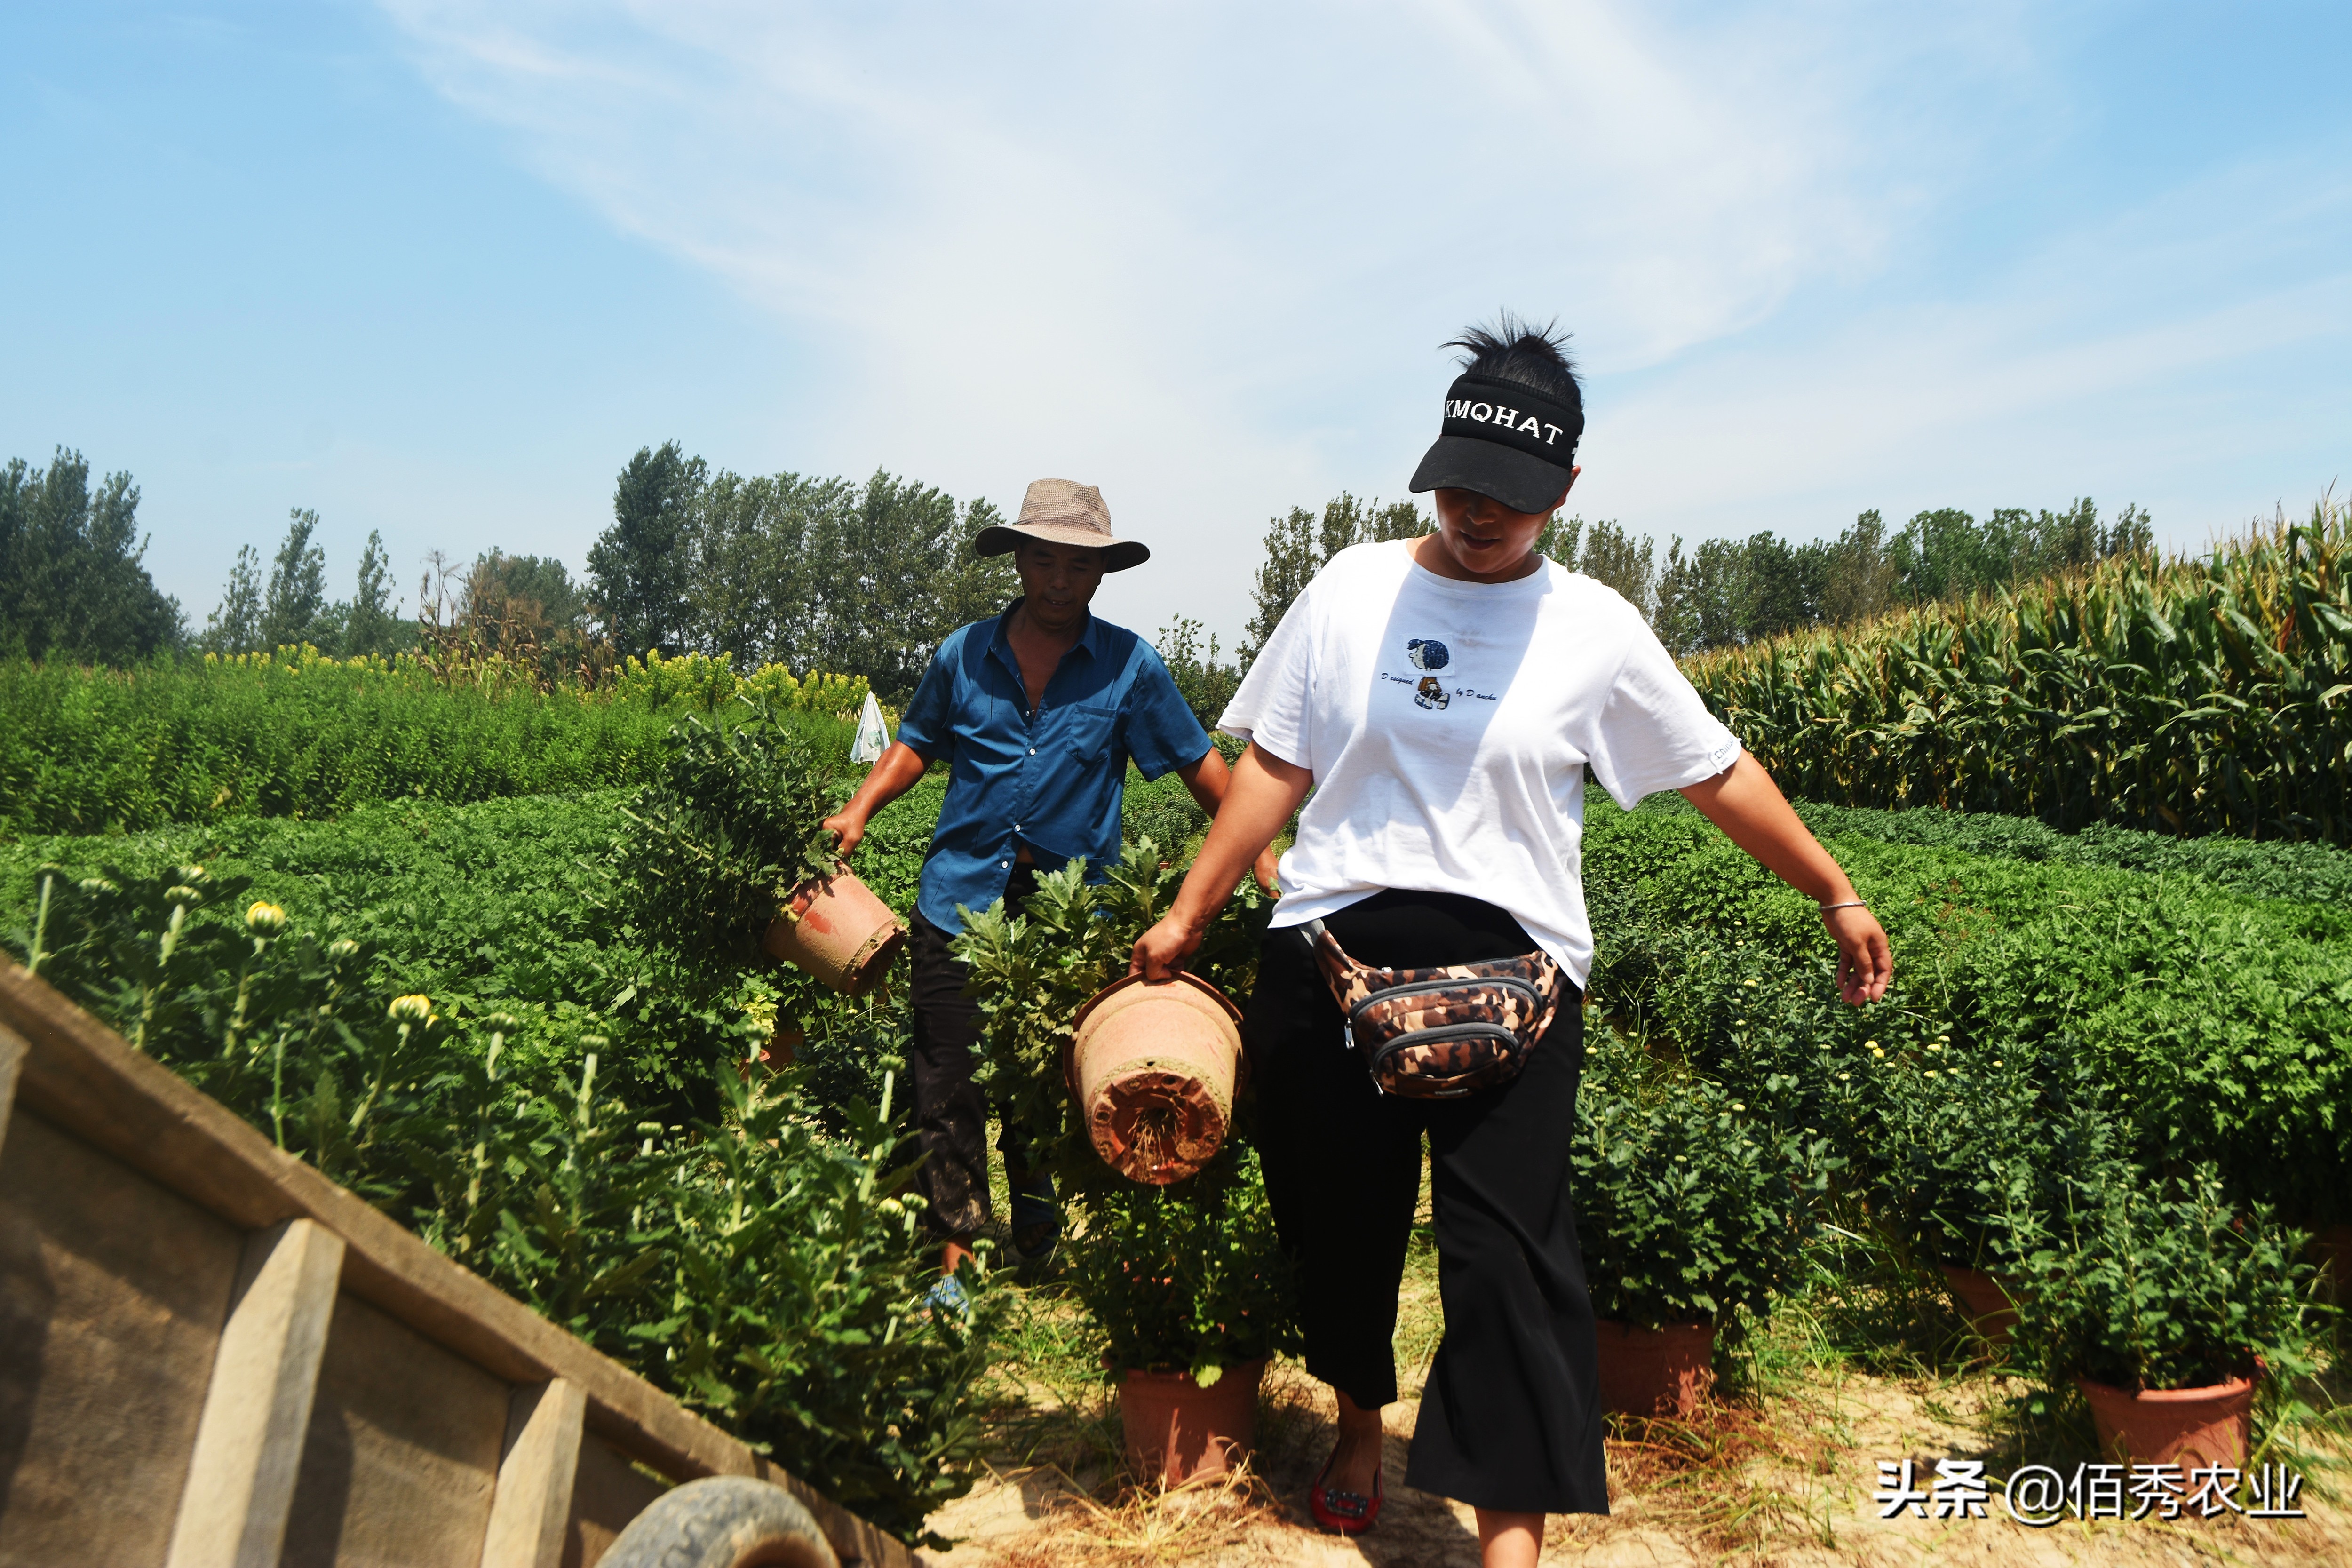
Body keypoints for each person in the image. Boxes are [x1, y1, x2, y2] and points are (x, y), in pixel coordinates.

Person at [1130, 318, 1892, 1568]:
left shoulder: (1594, 626)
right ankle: (1360, 1428)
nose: (1480, 511)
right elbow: (1276, 761)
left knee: (1509, 1257)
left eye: (1514, 495)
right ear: (1433, 462)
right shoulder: (1352, 589)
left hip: (1520, 986)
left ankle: (1511, 1538)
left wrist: (1835, 887)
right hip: (1329, 961)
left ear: (1568, 491)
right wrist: (1191, 909)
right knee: (1341, 1221)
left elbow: (1716, 771)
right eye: (1461, 481)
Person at [825, 478, 1279, 1285]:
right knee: (946, 1082)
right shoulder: (964, 654)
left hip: (1068, 912)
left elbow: (1200, 766)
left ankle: (1037, 1209)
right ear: (1020, 562)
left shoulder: (1128, 667)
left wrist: (1261, 854)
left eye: (1078, 564)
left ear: (1101, 573)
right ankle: (955, 1264)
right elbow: (916, 743)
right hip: (958, 900)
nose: (1060, 579)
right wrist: (859, 810)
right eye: (1044, 560)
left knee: (1046, 1070)